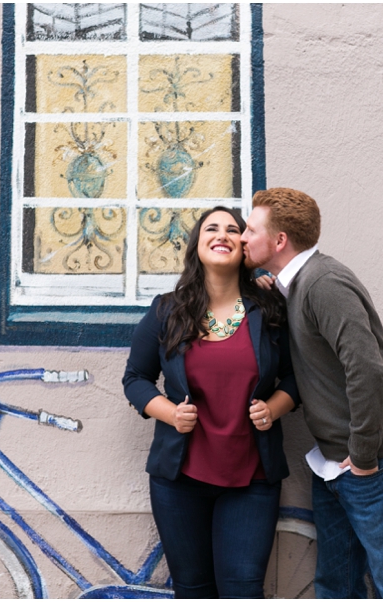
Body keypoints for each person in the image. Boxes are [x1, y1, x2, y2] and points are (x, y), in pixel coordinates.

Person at [241, 188, 383, 599]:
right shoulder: (298, 286)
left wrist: (362, 458)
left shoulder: (323, 282)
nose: (242, 237)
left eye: (251, 230)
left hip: (375, 461)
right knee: (336, 586)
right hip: (335, 464)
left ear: (279, 241)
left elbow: (366, 370)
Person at [122, 206, 300, 599]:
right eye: (211, 228)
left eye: (232, 229)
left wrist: (274, 408)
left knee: (242, 590)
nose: (221, 234)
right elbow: (135, 379)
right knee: (194, 590)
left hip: (251, 479)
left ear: (243, 246)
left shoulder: (270, 310)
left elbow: (294, 378)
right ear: (197, 244)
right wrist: (170, 413)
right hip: (179, 482)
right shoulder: (167, 310)